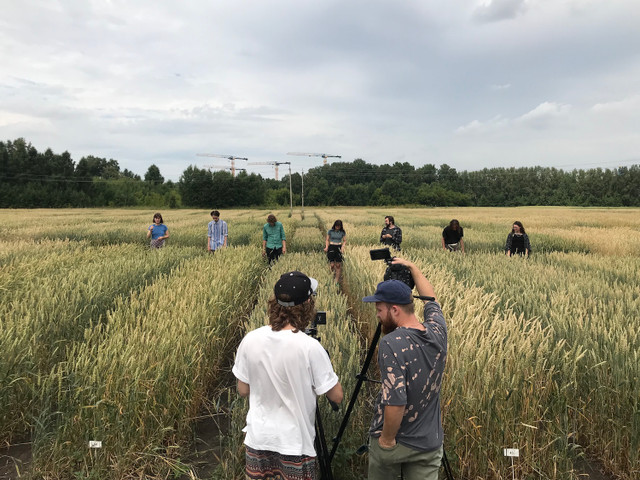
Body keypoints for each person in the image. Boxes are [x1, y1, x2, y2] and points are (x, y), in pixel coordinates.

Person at [233, 271, 344, 480]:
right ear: (307, 304)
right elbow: (336, 396)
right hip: (294, 443)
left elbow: (243, 390)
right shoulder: (310, 347)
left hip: (258, 439)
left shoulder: (250, 339)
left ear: (274, 302)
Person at [362, 258, 447, 480]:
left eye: (380, 310)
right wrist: (413, 268)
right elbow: (431, 299)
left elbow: (396, 400)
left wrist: (386, 441)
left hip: (397, 443)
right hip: (429, 444)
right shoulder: (438, 330)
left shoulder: (391, 343)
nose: (378, 315)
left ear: (395, 309)